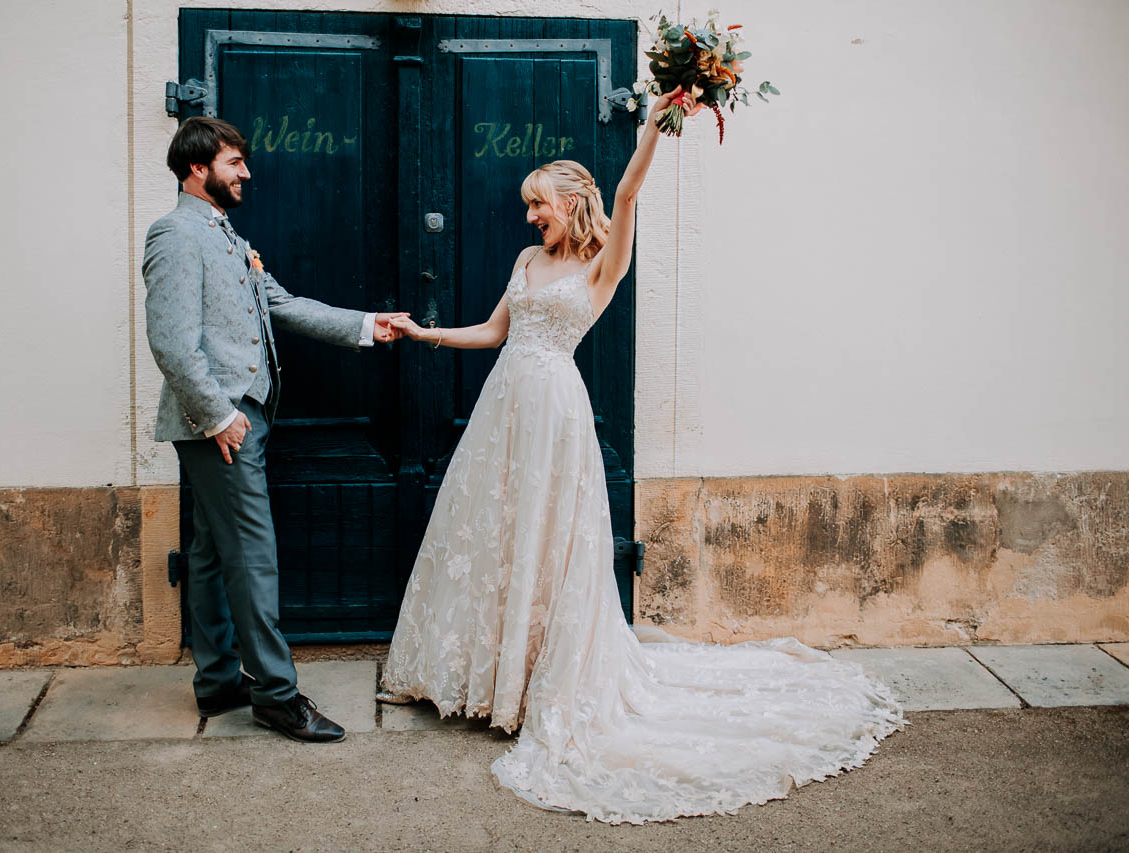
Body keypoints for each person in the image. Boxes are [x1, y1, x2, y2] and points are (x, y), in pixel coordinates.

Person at [378, 89, 904, 822]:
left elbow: (627, 190)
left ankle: (540, 687)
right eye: (530, 206)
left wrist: (655, 121)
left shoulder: (603, 263)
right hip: (506, 410)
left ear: (571, 202)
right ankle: (486, 676)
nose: (530, 216)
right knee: (497, 533)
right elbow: (496, 332)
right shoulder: (527, 258)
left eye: (541, 204)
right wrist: (425, 335)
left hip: (558, 413)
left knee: (552, 541)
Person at [143, 116, 407, 742]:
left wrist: (369, 324)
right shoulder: (175, 234)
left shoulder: (226, 236)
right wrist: (220, 417)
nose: (248, 173)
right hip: (221, 424)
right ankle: (278, 695)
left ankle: (218, 682)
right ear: (197, 167)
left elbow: (281, 305)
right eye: (235, 163)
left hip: (240, 417)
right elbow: (172, 343)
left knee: (209, 554)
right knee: (253, 557)